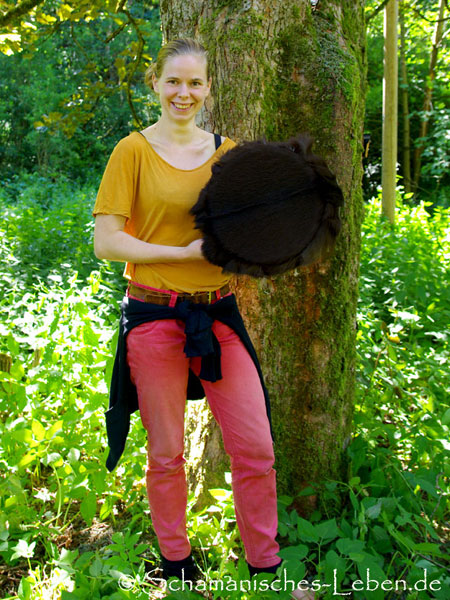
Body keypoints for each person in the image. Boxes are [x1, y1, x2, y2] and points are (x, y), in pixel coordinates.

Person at [93, 37, 304, 593]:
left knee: (256, 448)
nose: (183, 93)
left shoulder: (230, 154)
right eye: (173, 81)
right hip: (153, 314)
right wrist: (183, 255)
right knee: (166, 452)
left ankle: (264, 567)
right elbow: (107, 242)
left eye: (194, 82)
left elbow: (252, 227)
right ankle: (177, 562)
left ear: (209, 88)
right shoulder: (131, 151)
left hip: (218, 315)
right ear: (155, 84)